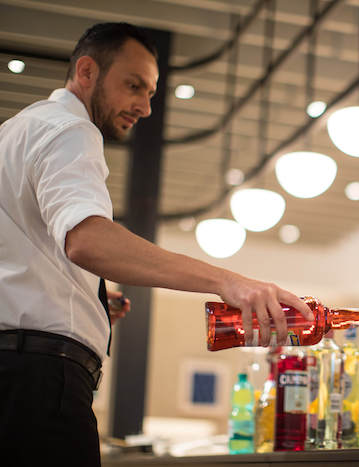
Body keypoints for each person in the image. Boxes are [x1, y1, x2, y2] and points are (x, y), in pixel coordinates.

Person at [0, 23, 312, 466]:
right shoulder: (69, 129)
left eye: (150, 92)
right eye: (134, 86)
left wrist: (82, 296)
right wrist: (230, 282)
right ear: (86, 71)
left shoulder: (13, 132)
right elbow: (88, 241)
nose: (145, 107)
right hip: (37, 383)